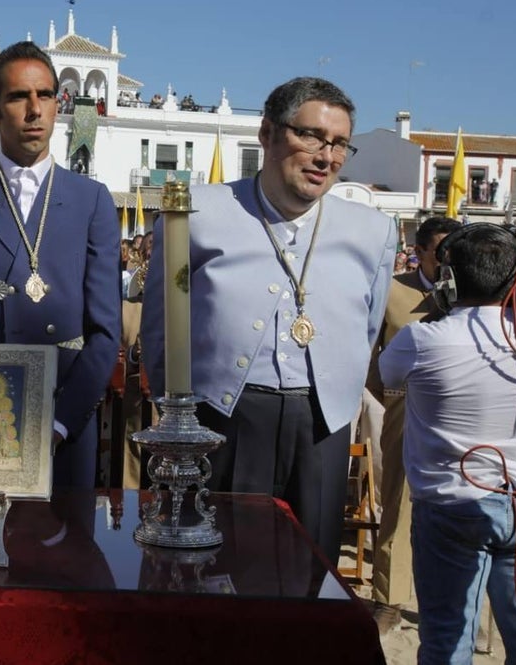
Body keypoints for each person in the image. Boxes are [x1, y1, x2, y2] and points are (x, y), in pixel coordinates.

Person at [141, 76, 396, 565]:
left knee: (310, 567)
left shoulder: (374, 231)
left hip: (321, 423)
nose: (327, 156)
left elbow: (368, 326)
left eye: (340, 144)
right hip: (222, 417)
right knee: (216, 564)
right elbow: (160, 327)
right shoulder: (198, 213)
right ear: (268, 134)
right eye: (312, 137)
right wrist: (173, 412)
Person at [0, 41, 121, 487]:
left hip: (66, 417)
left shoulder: (93, 200)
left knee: (64, 549)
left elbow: (106, 332)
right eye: (18, 97)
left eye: (46, 95)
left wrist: (60, 422)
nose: (35, 110)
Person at [379, 224, 516, 664]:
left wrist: (440, 310)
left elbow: (387, 375)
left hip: (449, 507)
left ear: (447, 280)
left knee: (446, 645)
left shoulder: (420, 340)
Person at [366, 215, 460, 633]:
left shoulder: (475, 292)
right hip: (406, 413)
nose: (446, 260)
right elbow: (372, 361)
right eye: (439, 252)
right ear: (419, 251)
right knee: (398, 507)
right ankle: (389, 598)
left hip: (463, 416)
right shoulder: (391, 290)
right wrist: (394, 397)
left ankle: (459, 603)